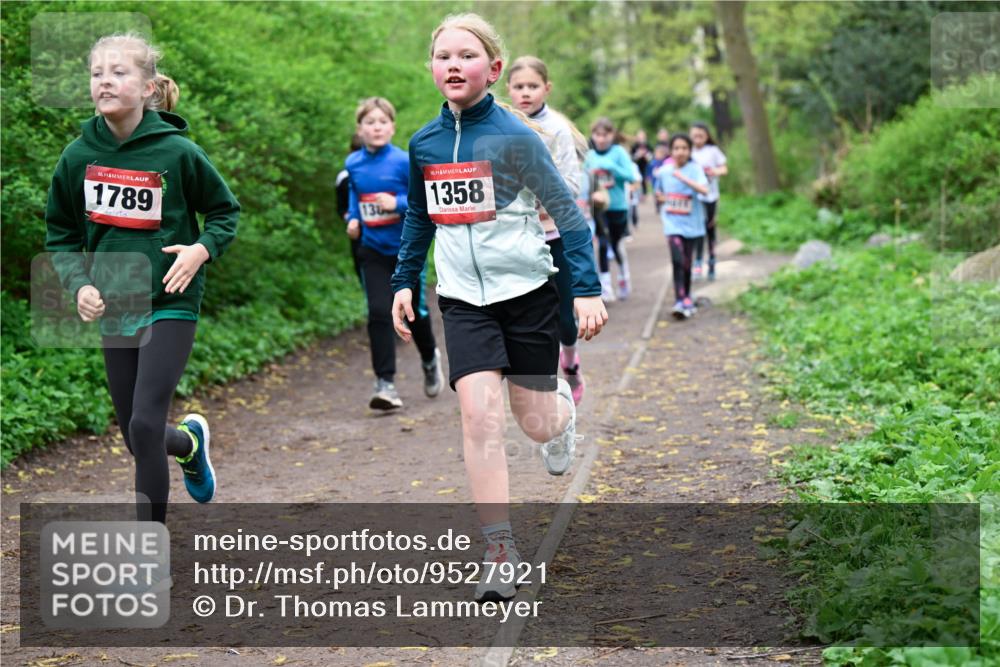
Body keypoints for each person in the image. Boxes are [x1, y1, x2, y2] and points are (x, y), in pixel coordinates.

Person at [390, 13, 607, 602]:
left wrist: (585, 288)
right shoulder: (425, 143)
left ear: (494, 68)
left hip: (528, 296)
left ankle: (561, 408)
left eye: (466, 55)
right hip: (463, 301)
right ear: (432, 68)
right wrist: (404, 281)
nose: (453, 65)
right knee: (479, 416)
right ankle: (500, 550)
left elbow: (567, 214)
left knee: (536, 423)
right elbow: (417, 215)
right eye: (443, 57)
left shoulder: (516, 139)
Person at [45, 33, 240, 525]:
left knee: (146, 419)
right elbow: (62, 234)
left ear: (149, 87)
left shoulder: (177, 152)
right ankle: (190, 444)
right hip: (118, 302)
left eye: (119, 72)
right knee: (137, 435)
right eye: (96, 74)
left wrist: (200, 249)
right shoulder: (76, 157)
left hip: (171, 298)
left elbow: (223, 212)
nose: (105, 81)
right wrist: (79, 284)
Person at [345, 97, 443, 410]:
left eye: (382, 122)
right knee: (377, 312)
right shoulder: (353, 164)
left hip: (406, 251)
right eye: (370, 122)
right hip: (372, 249)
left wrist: (397, 203)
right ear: (359, 129)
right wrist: (353, 218)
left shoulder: (404, 161)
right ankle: (385, 383)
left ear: (392, 127)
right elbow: (355, 195)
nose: (376, 127)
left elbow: (423, 199)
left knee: (415, 313)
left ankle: (429, 358)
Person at [506, 54, 589, 405]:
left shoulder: (556, 129)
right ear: (507, 89)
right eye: (519, 86)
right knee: (530, 314)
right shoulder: (503, 126)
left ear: (546, 88)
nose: (525, 93)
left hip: (555, 234)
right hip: (518, 238)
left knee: (564, 315)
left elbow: (571, 185)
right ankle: (543, 387)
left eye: (532, 86)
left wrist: (535, 192)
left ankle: (569, 362)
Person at [654, 134, 709, 320]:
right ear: (671, 151)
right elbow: (658, 192)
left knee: (687, 262)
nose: (680, 152)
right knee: (677, 260)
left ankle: (686, 296)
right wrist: (661, 198)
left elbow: (705, 190)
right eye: (676, 148)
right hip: (672, 224)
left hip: (692, 225)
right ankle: (679, 299)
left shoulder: (695, 169)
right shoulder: (664, 171)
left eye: (684, 148)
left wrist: (684, 179)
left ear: (689, 151)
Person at [585, 117, 638, 301]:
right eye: (597, 134)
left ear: (612, 135)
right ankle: (606, 286)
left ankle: (624, 276)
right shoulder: (590, 156)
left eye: (605, 134)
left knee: (616, 245)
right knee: (602, 243)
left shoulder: (619, 153)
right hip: (599, 208)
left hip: (618, 207)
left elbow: (631, 177)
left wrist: (612, 167)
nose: (600, 139)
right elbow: (585, 181)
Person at [690, 122, 728, 281]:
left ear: (707, 136)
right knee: (697, 231)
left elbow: (724, 169)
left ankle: (711, 262)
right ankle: (697, 262)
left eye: (701, 136)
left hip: (710, 198)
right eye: (695, 136)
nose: (698, 139)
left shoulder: (713, 151)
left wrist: (714, 171)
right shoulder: (688, 152)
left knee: (710, 230)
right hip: (694, 199)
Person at [336, 133, 364, 284]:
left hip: (385, 232)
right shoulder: (343, 177)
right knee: (363, 272)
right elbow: (341, 207)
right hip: (358, 233)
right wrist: (352, 218)